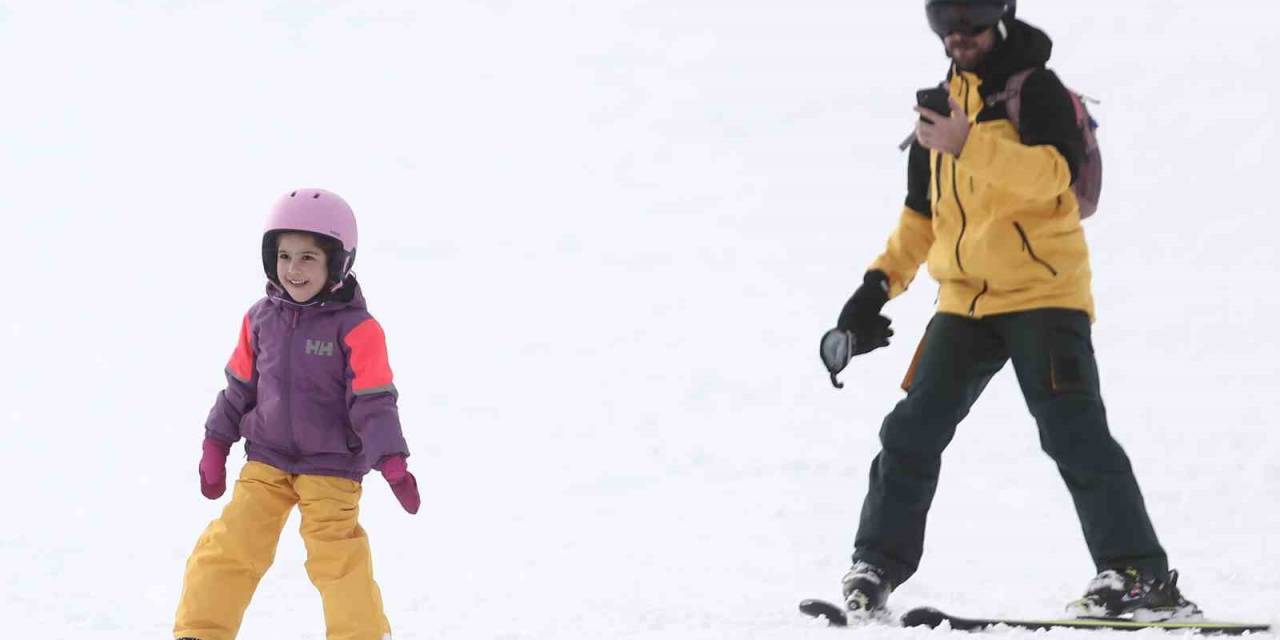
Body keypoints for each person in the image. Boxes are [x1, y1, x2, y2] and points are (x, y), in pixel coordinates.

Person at [829, 0, 1201, 622]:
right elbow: (922, 217)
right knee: (911, 429)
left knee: (1073, 433)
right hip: (965, 304)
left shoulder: (1036, 90)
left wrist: (968, 142)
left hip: (1043, 296)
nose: (958, 35)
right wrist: (872, 293)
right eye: (945, 22)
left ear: (999, 16)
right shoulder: (943, 103)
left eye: (971, 20)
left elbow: (1052, 176)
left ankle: (1141, 577)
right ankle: (876, 565)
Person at [173, 188, 420, 640]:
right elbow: (238, 390)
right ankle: (200, 633)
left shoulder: (359, 330)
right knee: (229, 546)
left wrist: (392, 462)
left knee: (337, 559)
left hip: (331, 467)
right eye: (284, 255)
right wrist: (215, 443)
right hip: (267, 459)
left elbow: (374, 401)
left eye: (308, 257)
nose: (293, 269)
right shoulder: (259, 320)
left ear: (338, 262)